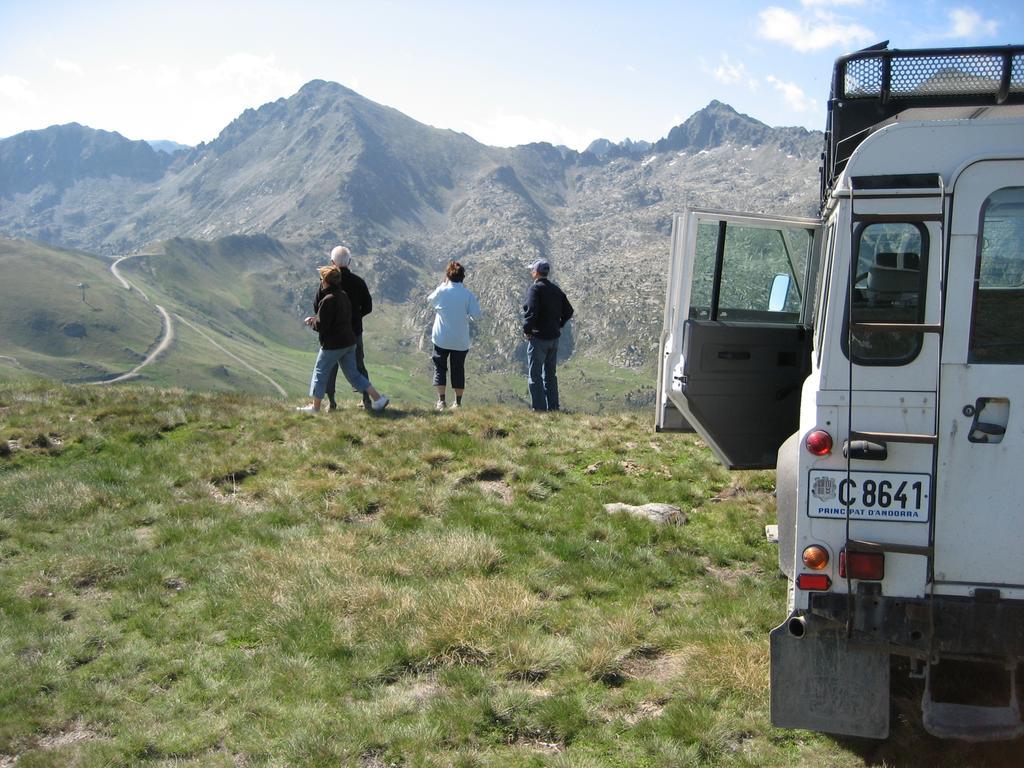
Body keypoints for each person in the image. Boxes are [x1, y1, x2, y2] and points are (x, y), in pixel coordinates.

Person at [298, 265, 389, 413]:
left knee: (320, 372)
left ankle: (315, 407)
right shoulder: (343, 295)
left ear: (325, 281)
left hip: (333, 345)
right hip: (349, 342)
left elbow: (322, 326)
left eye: (321, 279)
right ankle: (379, 399)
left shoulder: (327, 300)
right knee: (353, 374)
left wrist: (311, 322)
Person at [319, 245, 373, 410]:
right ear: (349, 262)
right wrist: (355, 317)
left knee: (329, 367)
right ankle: (366, 400)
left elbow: (317, 307)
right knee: (358, 366)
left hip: (332, 335)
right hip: (354, 332)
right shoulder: (358, 282)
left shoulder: (326, 282)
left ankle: (331, 403)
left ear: (332, 262)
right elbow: (368, 307)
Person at [427, 261, 481, 410]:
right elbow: (476, 314)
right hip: (460, 340)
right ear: (462, 277)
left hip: (441, 337)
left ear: (447, 276)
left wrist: (443, 285)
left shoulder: (442, 291)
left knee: (440, 368)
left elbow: (430, 300)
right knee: (458, 369)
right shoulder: (467, 294)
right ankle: (457, 402)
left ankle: (441, 401)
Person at [522, 259, 573, 411]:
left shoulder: (535, 290)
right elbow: (569, 311)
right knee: (550, 375)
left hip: (538, 338)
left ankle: (539, 410)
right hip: (554, 339)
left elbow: (531, 311)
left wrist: (527, 330)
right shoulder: (556, 290)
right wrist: (559, 324)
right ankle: (553, 408)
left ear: (536, 272)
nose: (531, 272)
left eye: (532, 270)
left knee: (535, 376)